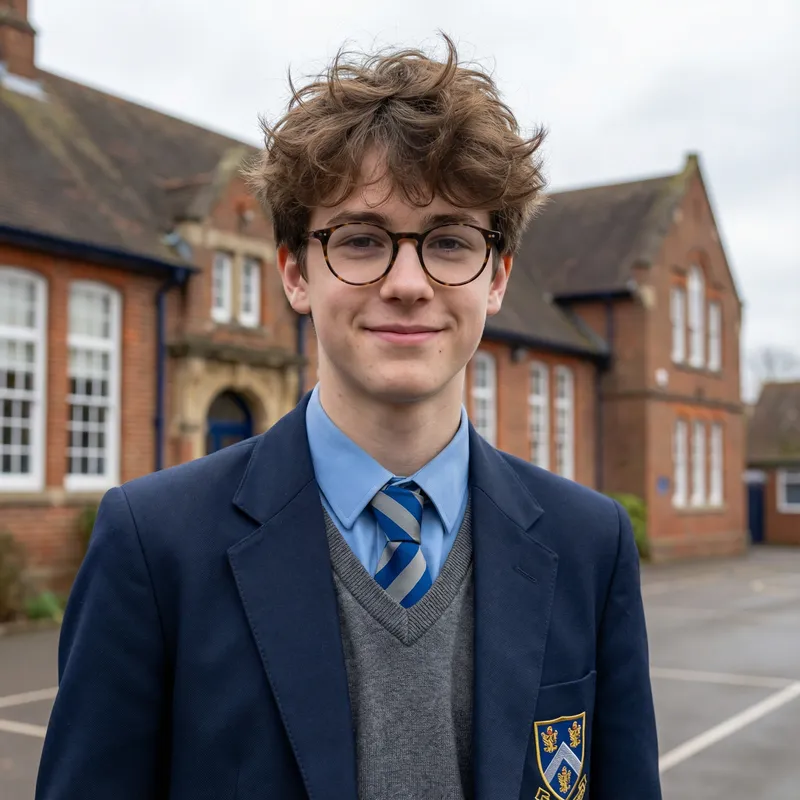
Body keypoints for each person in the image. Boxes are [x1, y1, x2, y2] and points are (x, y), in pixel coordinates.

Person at [36, 34, 661, 800]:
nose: (407, 282)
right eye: (362, 240)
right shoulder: (154, 544)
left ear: (496, 278)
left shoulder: (589, 544)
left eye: (450, 241)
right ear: (296, 272)